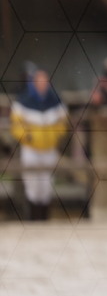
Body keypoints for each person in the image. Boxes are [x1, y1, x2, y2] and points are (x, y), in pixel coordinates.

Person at [10, 69, 69, 221]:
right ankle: (33, 218)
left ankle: (44, 219)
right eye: (40, 81)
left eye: (45, 81)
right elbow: (16, 125)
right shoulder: (23, 101)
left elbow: (62, 122)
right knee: (32, 183)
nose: (43, 84)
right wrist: (27, 137)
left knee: (47, 183)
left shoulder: (55, 100)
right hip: (31, 148)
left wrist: (56, 136)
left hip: (49, 148)